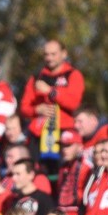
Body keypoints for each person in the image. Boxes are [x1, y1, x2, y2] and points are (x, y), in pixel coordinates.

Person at [19, 40, 85, 169]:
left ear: (64, 54)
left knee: (60, 175)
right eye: (46, 54)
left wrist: (51, 92)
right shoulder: (37, 77)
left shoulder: (73, 75)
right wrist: (37, 109)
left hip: (63, 136)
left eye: (53, 54)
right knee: (38, 175)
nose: (49, 58)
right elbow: (24, 108)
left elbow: (74, 103)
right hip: (38, 137)